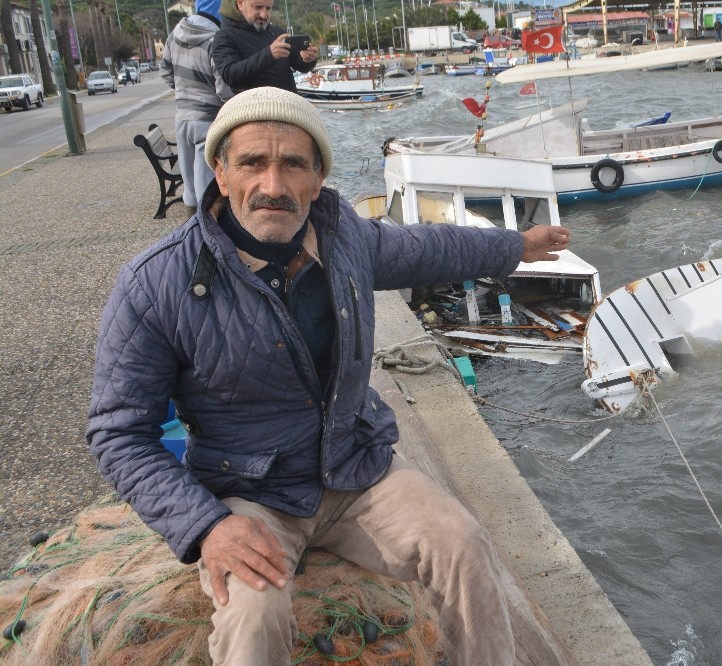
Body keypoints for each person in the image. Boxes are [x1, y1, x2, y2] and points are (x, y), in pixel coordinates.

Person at [87, 86, 572, 665]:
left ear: (317, 179)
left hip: (355, 467)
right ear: (220, 172)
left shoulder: (345, 237)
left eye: (293, 164)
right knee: (253, 616)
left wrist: (514, 246)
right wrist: (205, 526)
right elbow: (118, 433)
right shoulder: (154, 283)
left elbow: (427, 248)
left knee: (463, 545)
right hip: (251, 493)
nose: (273, 185)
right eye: (252, 163)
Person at [161, 0, 233, 216]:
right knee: (207, 184)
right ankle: (206, 227)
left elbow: (165, 72)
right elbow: (223, 87)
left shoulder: (175, 33)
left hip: (182, 116)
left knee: (190, 183)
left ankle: (191, 223)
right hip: (207, 118)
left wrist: (183, 91)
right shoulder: (215, 39)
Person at [212, 0, 318, 94]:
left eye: (268, 8)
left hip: (288, 106)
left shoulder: (277, 33)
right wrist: (269, 55)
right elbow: (230, 75)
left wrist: (307, 59)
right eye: (257, 7)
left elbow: (299, 64)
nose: (263, 15)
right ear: (240, 4)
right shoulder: (224, 36)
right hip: (254, 108)